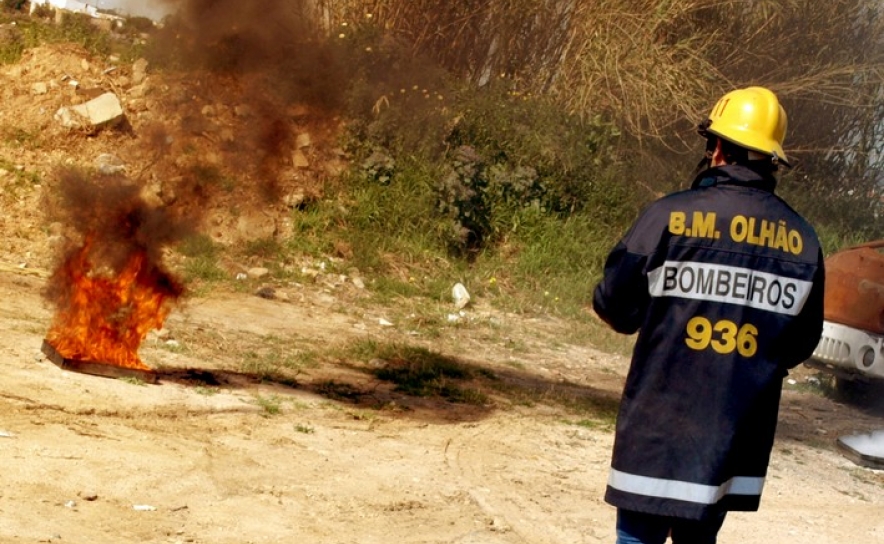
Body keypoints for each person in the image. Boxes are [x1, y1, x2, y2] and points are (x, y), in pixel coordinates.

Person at [592, 86, 825, 544]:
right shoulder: (804, 242)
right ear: (771, 160)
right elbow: (800, 343)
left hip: (656, 434)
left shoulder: (667, 216)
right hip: (730, 437)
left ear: (716, 147)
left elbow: (614, 305)